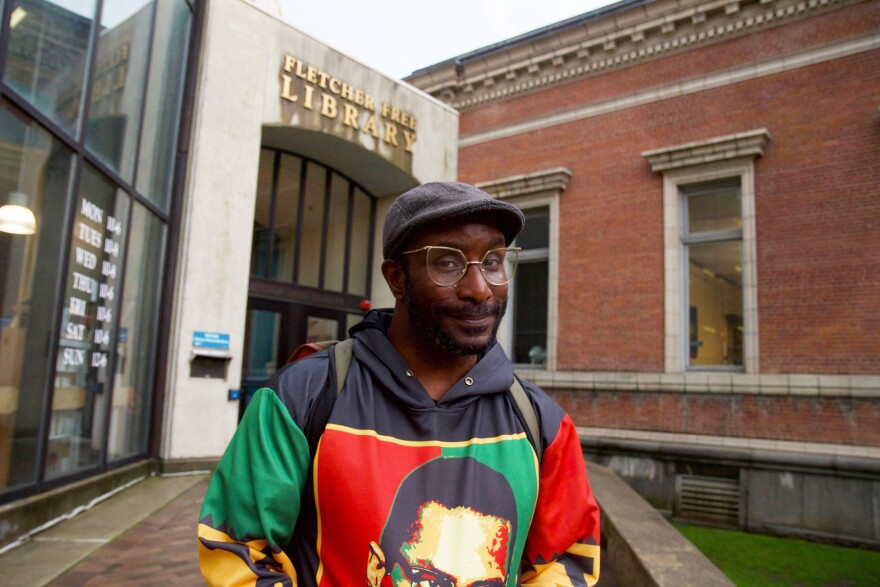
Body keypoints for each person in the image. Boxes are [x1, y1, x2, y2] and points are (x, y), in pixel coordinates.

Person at [198, 181, 601, 586]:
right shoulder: (300, 398)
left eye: (493, 261)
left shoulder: (543, 423)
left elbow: (563, 560)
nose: (480, 290)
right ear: (396, 279)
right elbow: (237, 552)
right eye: (447, 262)